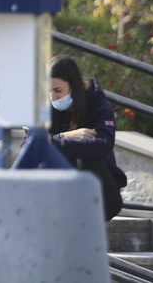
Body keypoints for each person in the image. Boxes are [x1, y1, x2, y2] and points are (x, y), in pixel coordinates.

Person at [49, 55, 128, 219]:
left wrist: (53, 142)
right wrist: (66, 136)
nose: (52, 97)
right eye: (48, 90)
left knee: (87, 158)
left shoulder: (99, 106)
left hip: (101, 194)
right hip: (58, 193)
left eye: (58, 90)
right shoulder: (46, 106)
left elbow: (103, 144)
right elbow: (28, 144)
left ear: (74, 87)